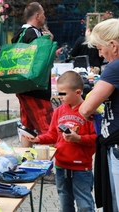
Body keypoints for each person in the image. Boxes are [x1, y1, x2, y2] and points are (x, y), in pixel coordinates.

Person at [24, 71, 96, 211]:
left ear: (77, 92)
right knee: (65, 203)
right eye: (58, 92)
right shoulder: (58, 111)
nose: (59, 97)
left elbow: (96, 139)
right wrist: (38, 138)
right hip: (61, 166)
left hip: (82, 168)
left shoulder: (89, 111)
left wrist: (79, 139)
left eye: (63, 93)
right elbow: (52, 135)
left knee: (84, 205)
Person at [79, 18, 119, 212]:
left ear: (113, 45)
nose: (99, 53)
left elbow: (86, 108)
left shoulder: (115, 67)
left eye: (100, 47)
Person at [11, 2, 54, 148]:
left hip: (20, 85)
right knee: (48, 126)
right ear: (37, 16)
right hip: (36, 88)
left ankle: (26, 160)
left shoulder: (18, 33)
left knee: (27, 126)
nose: (45, 17)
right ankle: (57, 165)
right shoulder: (35, 34)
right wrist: (49, 43)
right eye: (43, 14)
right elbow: (42, 61)